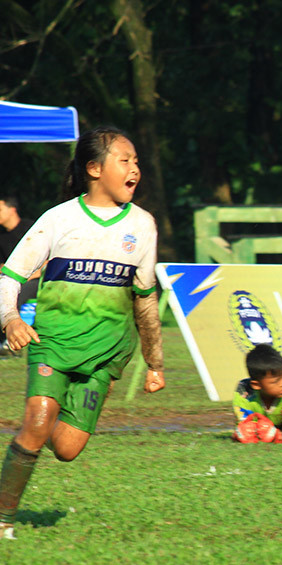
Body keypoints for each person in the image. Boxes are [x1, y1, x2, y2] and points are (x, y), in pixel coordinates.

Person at [0, 127, 165, 540]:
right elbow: (9, 277)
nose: (135, 169)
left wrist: (155, 363)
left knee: (67, 448)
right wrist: (11, 319)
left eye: (136, 162)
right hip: (52, 343)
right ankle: (3, 519)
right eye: (125, 161)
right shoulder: (58, 219)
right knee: (37, 420)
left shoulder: (143, 226)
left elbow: (145, 299)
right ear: (94, 168)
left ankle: (51, 418)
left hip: (106, 352)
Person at [0, 195, 40, 352]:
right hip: (12, 279)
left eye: (0, 209)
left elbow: (47, 261)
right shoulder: (2, 237)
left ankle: (10, 340)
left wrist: (24, 276)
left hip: (37, 279)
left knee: (15, 293)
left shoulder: (31, 228)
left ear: (12, 209)